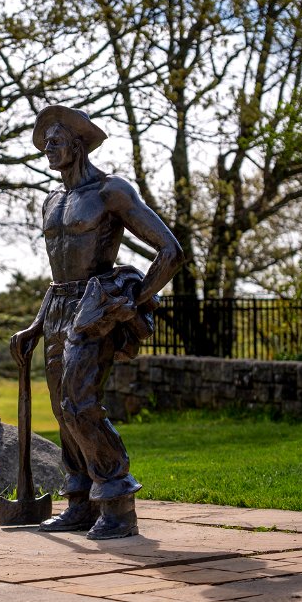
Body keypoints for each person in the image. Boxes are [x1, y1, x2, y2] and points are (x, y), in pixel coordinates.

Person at [11, 105, 183, 539]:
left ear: (78, 142)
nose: (47, 148)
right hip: (57, 310)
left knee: (79, 404)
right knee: (61, 409)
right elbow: (59, 277)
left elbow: (170, 250)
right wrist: (35, 326)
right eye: (44, 143)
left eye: (54, 140)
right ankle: (81, 501)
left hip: (94, 310)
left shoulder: (111, 191)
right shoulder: (52, 201)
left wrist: (133, 302)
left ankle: (119, 503)